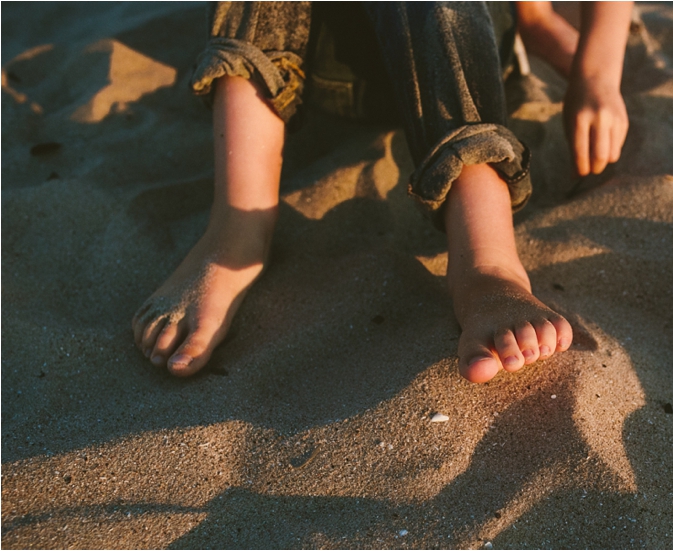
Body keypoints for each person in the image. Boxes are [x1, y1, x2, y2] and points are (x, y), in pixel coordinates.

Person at [132, 2, 633, 383]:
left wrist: (595, 75)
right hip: (318, 56)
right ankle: (235, 228)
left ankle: (486, 263)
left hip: (456, 43)